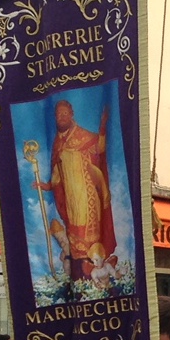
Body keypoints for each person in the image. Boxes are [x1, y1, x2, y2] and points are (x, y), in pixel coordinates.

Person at [36, 99, 116, 280]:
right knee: (73, 232)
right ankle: (78, 275)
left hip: (87, 194)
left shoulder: (84, 136)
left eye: (65, 113)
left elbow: (100, 149)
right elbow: (57, 172)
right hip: (71, 197)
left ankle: (93, 272)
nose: (62, 117)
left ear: (72, 114)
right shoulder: (57, 143)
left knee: (89, 231)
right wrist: (47, 185)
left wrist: (103, 127)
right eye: (58, 114)